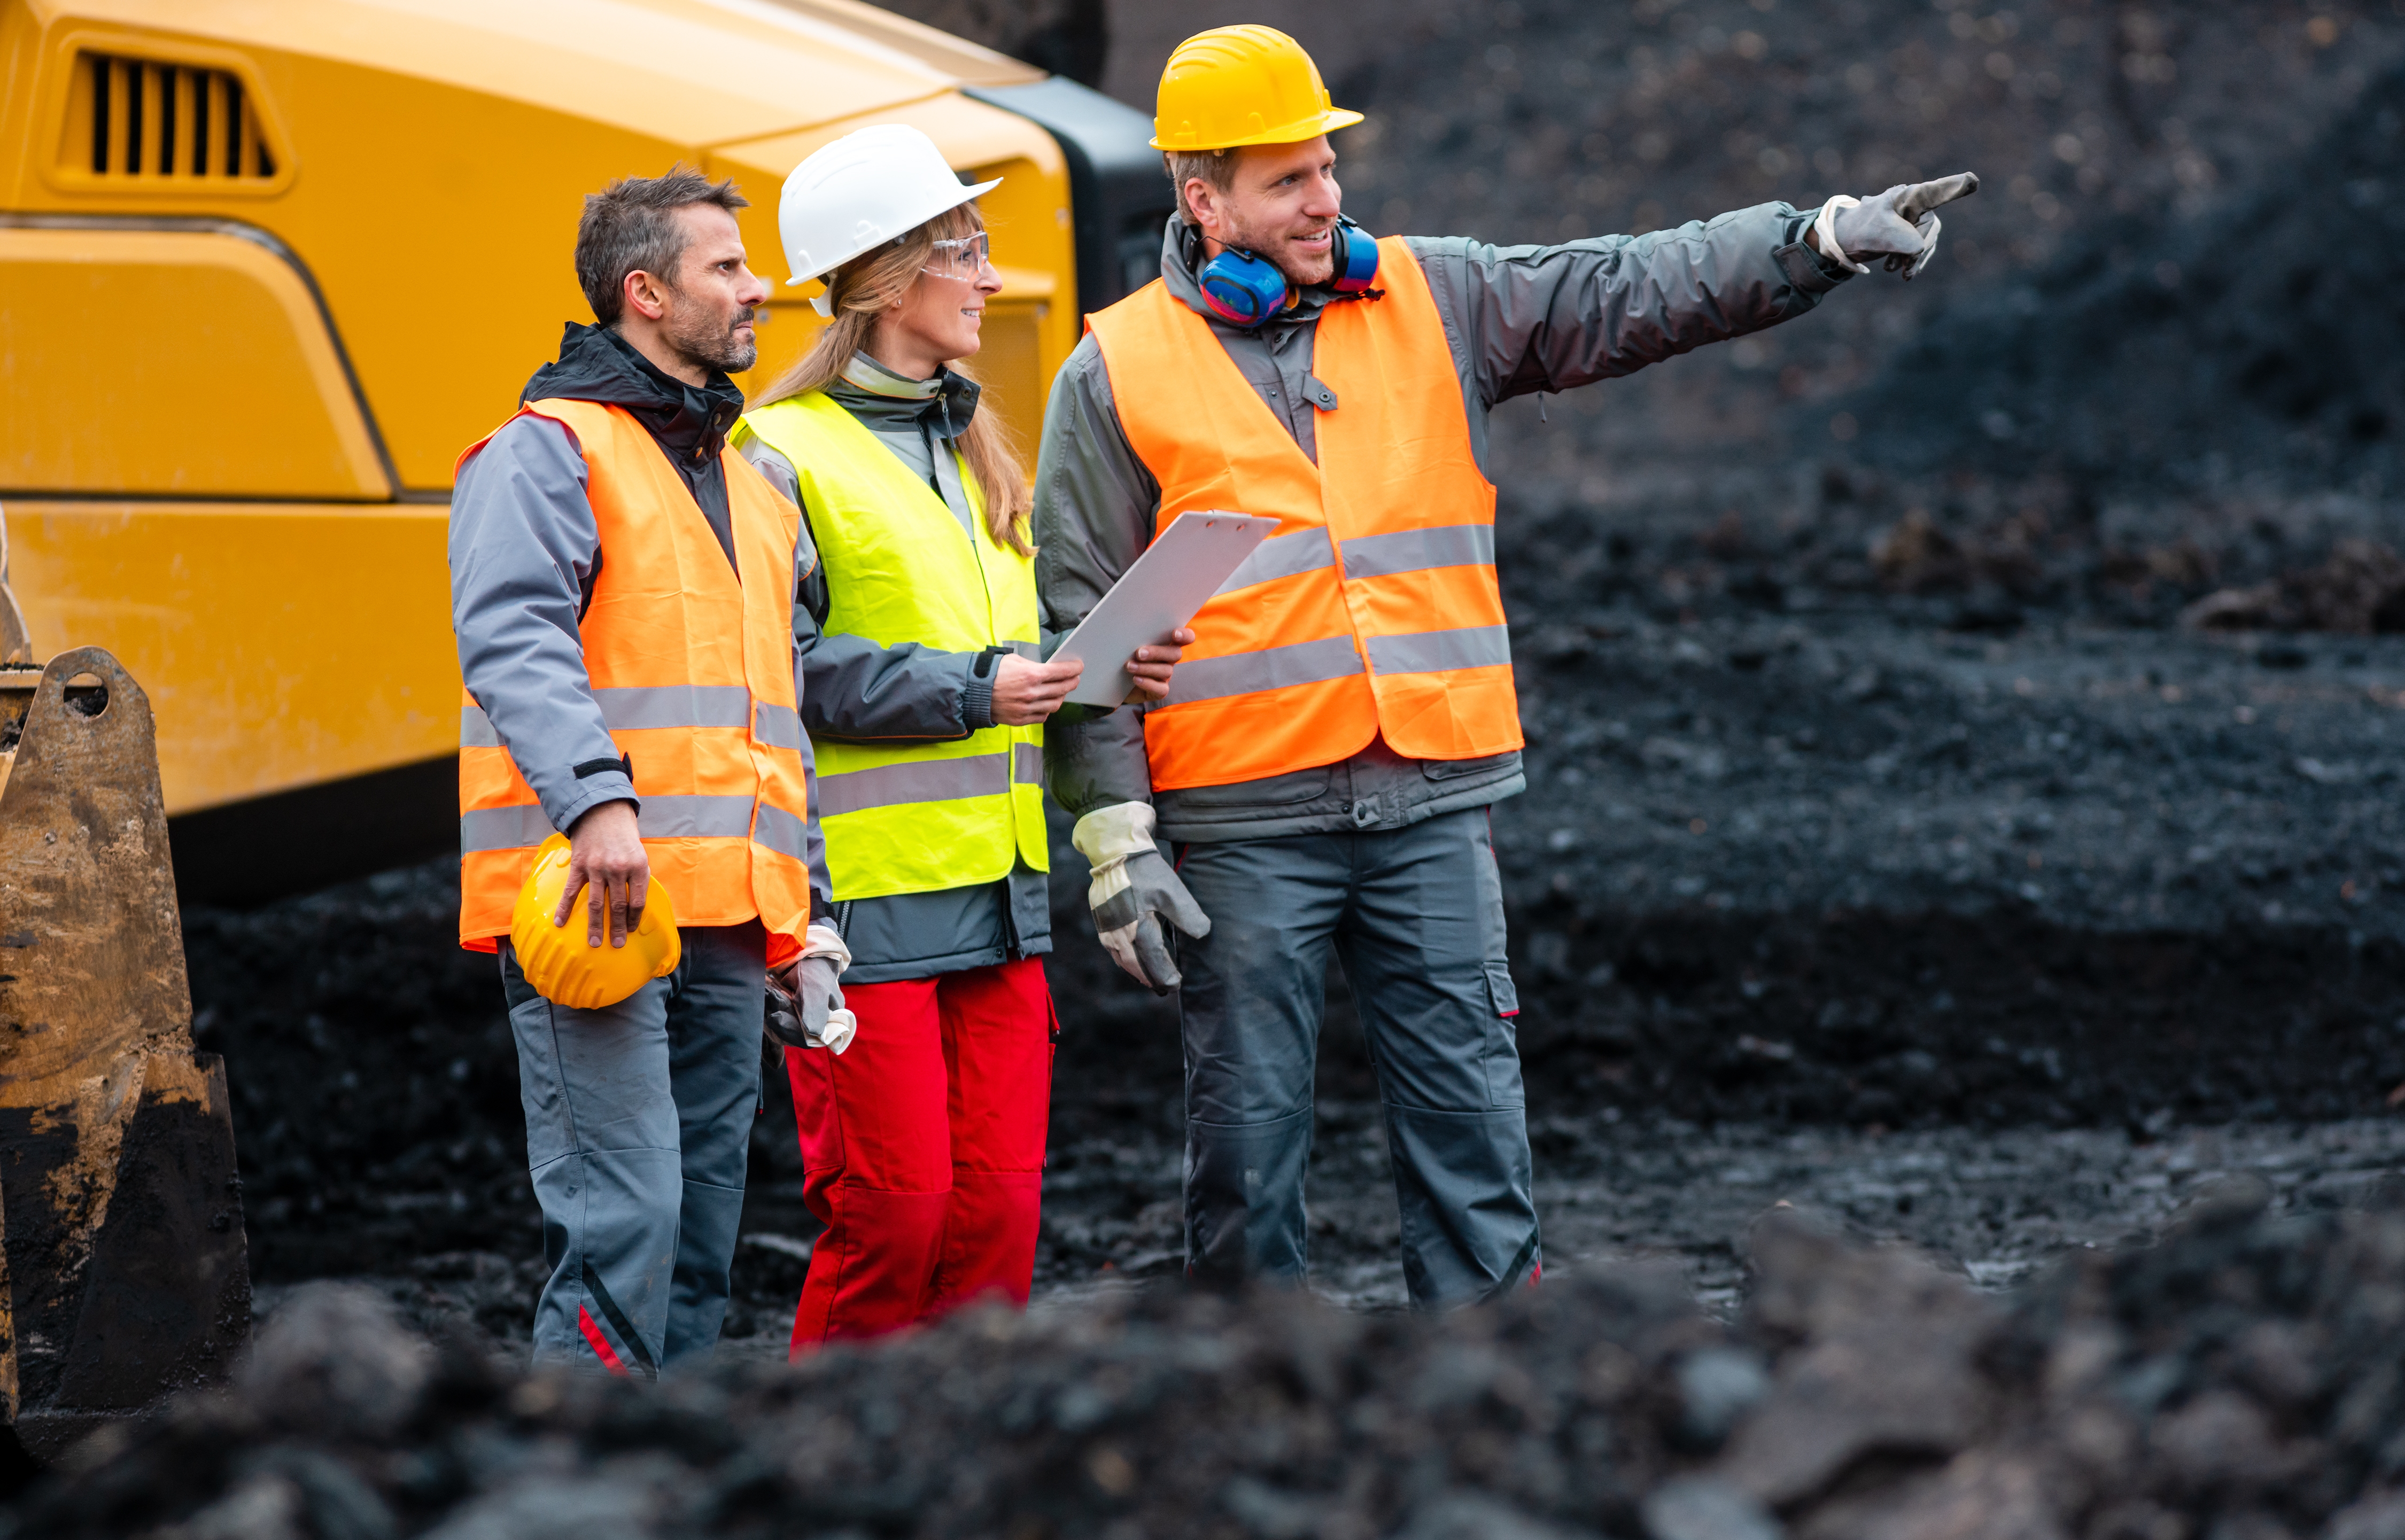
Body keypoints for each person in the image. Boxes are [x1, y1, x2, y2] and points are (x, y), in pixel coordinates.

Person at [1036, 25, 1975, 1307]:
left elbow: (1624, 287)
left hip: (1429, 799)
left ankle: (1494, 1393)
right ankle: (1248, 1393)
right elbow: (1079, 607)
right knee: (1246, 1148)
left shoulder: (1434, 296)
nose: (1328, 198)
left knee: (1473, 1124)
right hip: (1244, 823)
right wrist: (1114, 836)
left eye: (1327, 168)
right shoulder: (1115, 367)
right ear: (1203, 202)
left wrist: (1811, 242)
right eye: (1289, 181)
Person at [733, 126, 1188, 1349]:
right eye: (965, 250)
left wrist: (1105, 665)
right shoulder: (777, 456)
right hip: (865, 908)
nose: (990, 276)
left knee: (993, 1228)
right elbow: (773, 670)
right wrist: (978, 688)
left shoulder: (979, 447)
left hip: (1000, 901)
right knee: (895, 1222)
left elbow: (1015, 646)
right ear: (889, 279)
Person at [451, 167, 850, 1373]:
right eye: (726, 268)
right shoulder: (544, 454)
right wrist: (598, 804)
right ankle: (570, 1484)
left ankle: (653, 1477)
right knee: (626, 1219)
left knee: (698, 1240)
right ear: (646, 293)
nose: (758, 287)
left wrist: (809, 920)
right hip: (598, 900)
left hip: (730, 919)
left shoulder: (754, 482)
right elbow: (512, 640)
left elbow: (769, 718)